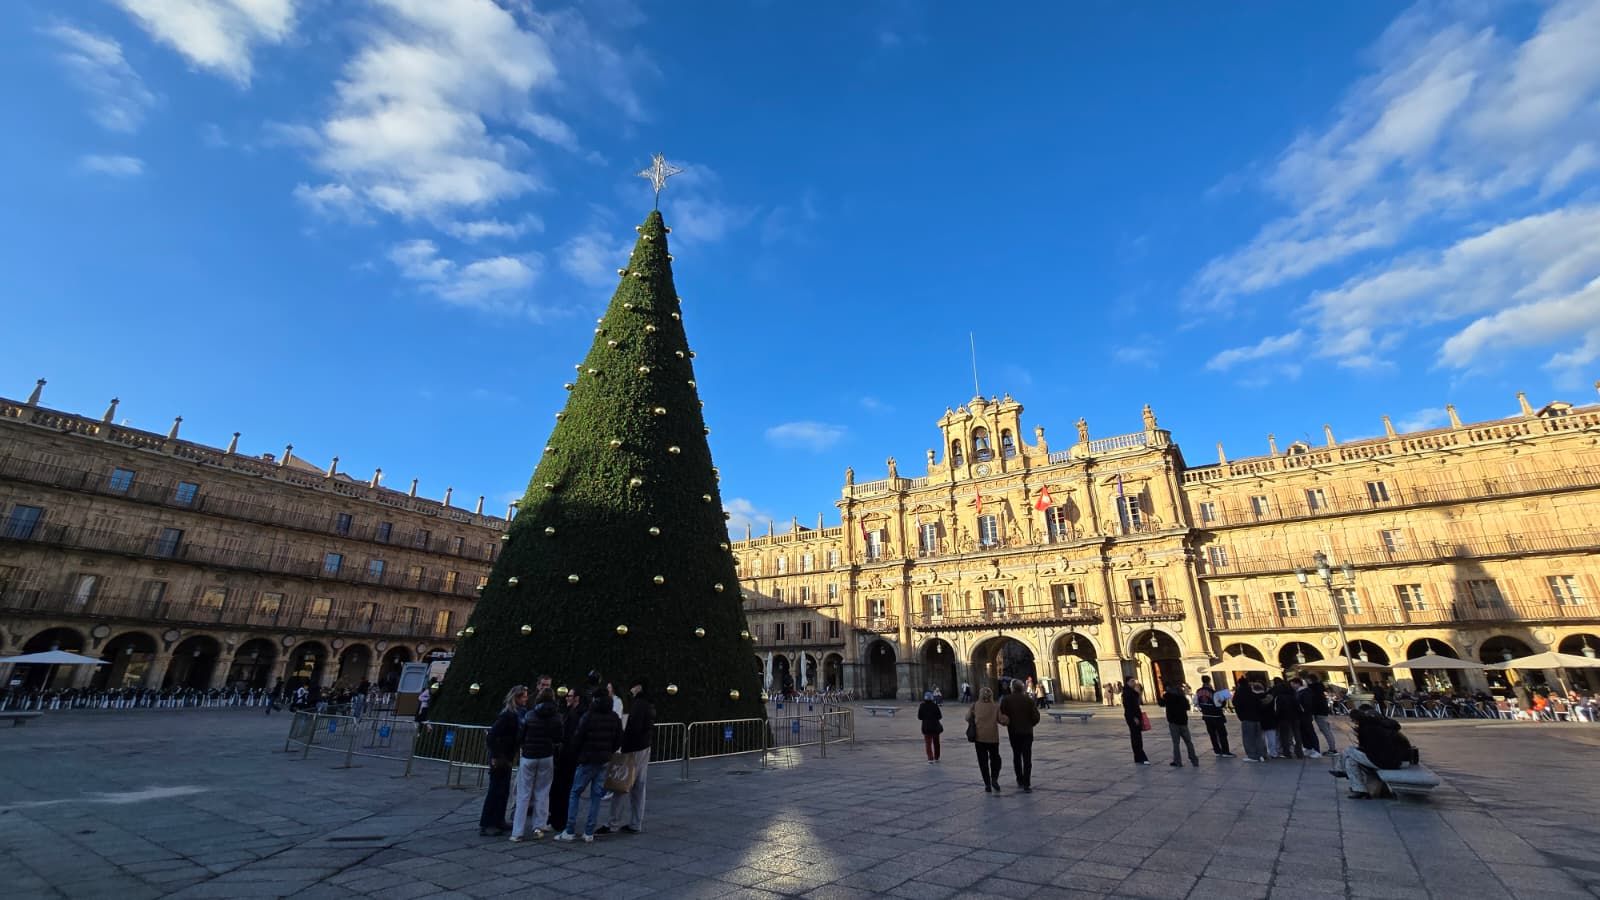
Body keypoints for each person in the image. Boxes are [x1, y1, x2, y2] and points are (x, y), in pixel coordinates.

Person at [556, 688, 622, 844]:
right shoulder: (613, 717)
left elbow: (578, 737)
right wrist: (609, 751)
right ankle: (589, 831)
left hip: (587, 759)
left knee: (575, 792)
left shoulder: (589, 716)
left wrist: (578, 754)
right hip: (604, 759)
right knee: (596, 796)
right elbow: (619, 739)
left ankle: (570, 830)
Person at [599, 676, 655, 835]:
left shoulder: (638, 704)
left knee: (621, 785)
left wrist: (622, 745)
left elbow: (634, 728)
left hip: (633, 748)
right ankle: (636, 823)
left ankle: (613, 823)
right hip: (645, 746)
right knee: (639, 786)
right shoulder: (649, 703)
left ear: (639, 687)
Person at [511, 687, 562, 842]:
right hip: (546, 755)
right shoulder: (556, 717)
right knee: (543, 792)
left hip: (529, 755)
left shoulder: (530, 714)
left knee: (523, 794)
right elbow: (559, 737)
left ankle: (517, 831)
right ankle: (538, 827)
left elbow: (521, 735)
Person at [480, 685, 527, 836]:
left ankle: (499, 819)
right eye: (524, 696)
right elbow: (492, 736)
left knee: (503, 790)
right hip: (500, 756)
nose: (526, 698)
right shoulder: (507, 715)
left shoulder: (515, 714)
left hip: (506, 756)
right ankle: (487, 823)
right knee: (495, 790)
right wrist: (495, 756)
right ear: (517, 698)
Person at [1343, 704, 1412, 799]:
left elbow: (1369, 749)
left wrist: (1360, 749)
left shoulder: (1368, 729)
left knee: (1349, 751)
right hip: (1397, 759)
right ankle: (1357, 788)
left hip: (1385, 761)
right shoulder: (1385, 725)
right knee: (1350, 760)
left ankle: (1346, 775)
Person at [547, 686, 584, 833]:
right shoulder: (571, 712)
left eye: (570, 695)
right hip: (566, 756)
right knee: (561, 789)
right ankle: (558, 818)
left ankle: (559, 820)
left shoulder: (576, 715)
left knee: (563, 789)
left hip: (568, 757)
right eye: (567, 695)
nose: (567, 697)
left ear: (577, 698)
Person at [997, 680, 1040, 790]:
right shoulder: (1028, 700)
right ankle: (1027, 783)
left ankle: (1019, 779)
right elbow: (1036, 717)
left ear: (1012, 688)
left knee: (1016, 756)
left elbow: (1001, 715)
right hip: (1027, 733)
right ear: (1022, 688)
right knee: (1027, 758)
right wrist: (1029, 724)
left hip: (1014, 732)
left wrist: (1008, 723)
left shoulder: (1006, 700)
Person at [966, 687, 1002, 793]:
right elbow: (1002, 720)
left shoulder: (975, 705)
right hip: (993, 738)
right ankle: (994, 778)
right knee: (995, 759)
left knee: (983, 762)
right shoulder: (995, 706)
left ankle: (987, 784)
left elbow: (967, 718)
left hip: (979, 738)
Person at [1158, 683, 1200, 767]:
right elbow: (1187, 707)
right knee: (1188, 742)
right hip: (1183, 722)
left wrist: (1160, 696)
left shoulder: (1168, 696)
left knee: (1176, 743)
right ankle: (1194, 760)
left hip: (1173, 723)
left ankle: (1177, 761)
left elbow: (1161, 703)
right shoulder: (1182, 697)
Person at [1194, 676, 1233, 757]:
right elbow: (1218, 704)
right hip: (1216, 716)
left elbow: (1195, 702)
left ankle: (1217, 750)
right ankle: (1225, 751)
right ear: (1209, 681)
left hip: (1206, 716)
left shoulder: (1198, 691)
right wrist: (1223, 700)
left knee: (1212, 734)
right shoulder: (1213, 692)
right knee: (1222, 734)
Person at [1233, 678, 1268, 763]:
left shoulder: (1239, 692)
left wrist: (1241, 716)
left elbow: (1235, 704)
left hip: (1247, 718)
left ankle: (1253, 756)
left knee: (1248, 738)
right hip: (1257, 718)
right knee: (1259, 737)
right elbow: (1260, 703)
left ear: (1239, 684)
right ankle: (1262, 754)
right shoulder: (1253, 691)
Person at [1269, 678, 1304, 759]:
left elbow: (1277, 709)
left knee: (1285, 736)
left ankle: (1287, 752)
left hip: (1283, 718)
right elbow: (1298, 707)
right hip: (1295, 718)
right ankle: (1299, 752)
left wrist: (1276, 717)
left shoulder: (1279, 697)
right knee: (1297, 734)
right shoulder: (1293, 695)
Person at [1296, 677, 1332, 756]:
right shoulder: (1316, 689)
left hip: (1317, 712)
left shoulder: (1310, 690)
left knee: (1322, 730)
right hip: (1319, 711)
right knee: (1322, 730)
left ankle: (1330, 749)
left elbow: (1309, 703)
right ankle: (1314, 748)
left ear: (1310, 680)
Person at [1121, 677, 1151, 766]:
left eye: (1134, 681)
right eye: (1132, 681)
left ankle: (1138, 757)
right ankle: (1141, 757)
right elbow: (1128, 707)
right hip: (1132, 717)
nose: (1134, 682)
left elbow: (1136, 704)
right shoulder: (1127, 693)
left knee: (1136, 736)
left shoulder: (1132, 691)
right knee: (1136, 737)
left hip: (1135, 716)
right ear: (1127, 682)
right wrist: (1134, 717)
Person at [917, 691, 943, 763]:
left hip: (926, 727)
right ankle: (936, 757)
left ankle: (930, 758)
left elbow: (919, 717)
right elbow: (940, 716)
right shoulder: (935, 705)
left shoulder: (922, 706)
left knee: (928, 743)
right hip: (935, 727)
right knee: (936, 743)